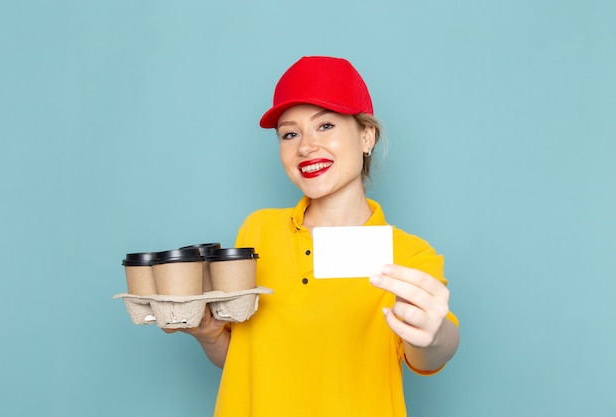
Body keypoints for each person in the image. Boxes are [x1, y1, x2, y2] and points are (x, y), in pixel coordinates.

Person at [170, 56, 460, 417]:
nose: (305, 146)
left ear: (366, 136)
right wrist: (210, 335)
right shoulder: (257, 231)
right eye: (290, 133)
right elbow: (247, 361)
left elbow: (432, 352)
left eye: (325, 126)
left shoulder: (407, 255)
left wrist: (435, 337)